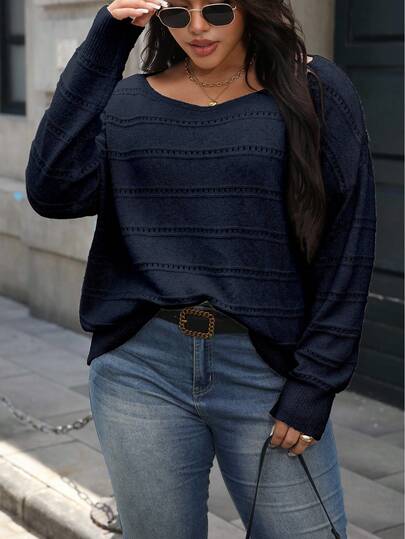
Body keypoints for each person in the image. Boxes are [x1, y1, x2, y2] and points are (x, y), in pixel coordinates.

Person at [25, 0, 377, 537]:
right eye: (176, 13)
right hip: (141, 369)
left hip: (267, 369)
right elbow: (52, 189)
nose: (196, 28)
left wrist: (316, 382)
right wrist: (107, 39)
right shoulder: (129, 102)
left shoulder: (314, 89)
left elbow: (349, 239)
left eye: (215, 9)